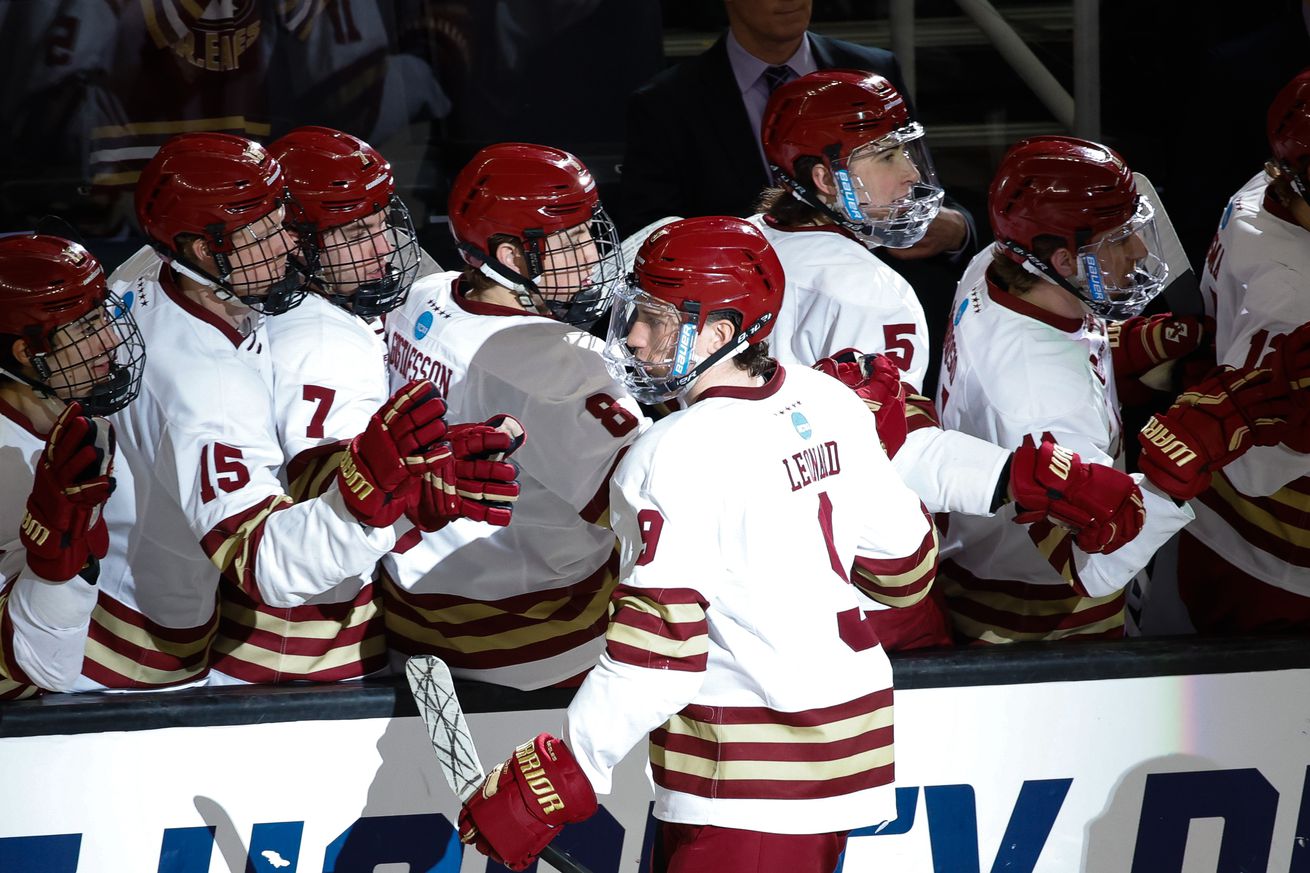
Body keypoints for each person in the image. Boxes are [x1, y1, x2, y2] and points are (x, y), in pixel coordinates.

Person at [454, 215, 939, 873]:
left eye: (655, 317)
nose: (632, 335)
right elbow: (907, 566)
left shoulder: (669, 453)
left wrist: (563, 772)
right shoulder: (830, 399)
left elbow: (659, 654)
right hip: (833, 764)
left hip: (746, 786)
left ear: (718, 333)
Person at [83, 131, 472, 690]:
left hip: (128, 620)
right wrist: (371, 498)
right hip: (133, 658)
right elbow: (260, 562)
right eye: (264, 233)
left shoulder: (162, 282)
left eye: (282, 222)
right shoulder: (205, 389)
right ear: (202, 248)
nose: (289, 246)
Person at [935, 135, 1290, 643]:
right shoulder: (1043, 401)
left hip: (986, 558)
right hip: (1040, 615)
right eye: (1118, 239)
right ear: (1060, 261)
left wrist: (1126, 346)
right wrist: (1185, 460)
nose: (1141, 249)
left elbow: (1045, 346)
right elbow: (1095, 563)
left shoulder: (995, 264)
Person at [198, 125, 515, 684]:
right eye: (355, 232)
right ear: (294, 239)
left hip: (260, 635)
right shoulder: (322, 341)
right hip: (305, 648)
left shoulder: (249, 301)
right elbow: (330, 487)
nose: (382, 248)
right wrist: (421, 485)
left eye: (380, 223)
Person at [381, 142, 642, 690]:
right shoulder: (567, 365)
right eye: (569, 240)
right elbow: (650, 514)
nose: (590, 256)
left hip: (411, 626)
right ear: (509, 258)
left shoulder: (424, 296)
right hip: (541, 645)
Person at [619, 0, 974, 394]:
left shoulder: (745, 238)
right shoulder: (875, 295)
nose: (910, 174)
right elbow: (881, 444)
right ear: (823, 178)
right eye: (888, 156)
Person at [1181, 67, 1310, 633]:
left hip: (1234, 535)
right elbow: (1258, 463)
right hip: (1273, 562)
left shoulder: (1265, 190)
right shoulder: (1289, 292)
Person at [0, 234, 144, 696]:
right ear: (27, 354)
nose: (109, 340)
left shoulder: (88, 422)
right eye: (86, 329)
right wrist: (52, 566)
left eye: (103, 317)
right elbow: (40, 671)